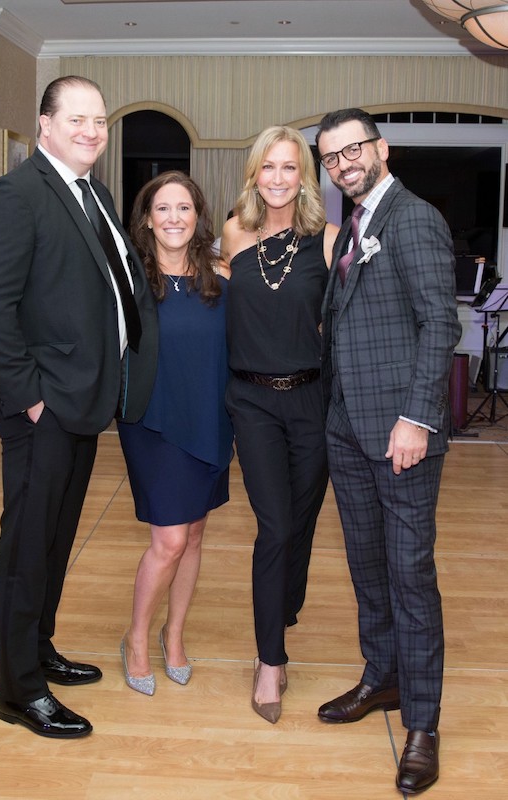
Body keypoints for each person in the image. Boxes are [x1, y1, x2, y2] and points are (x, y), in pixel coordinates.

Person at [0, 76, 157, 738]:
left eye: (100, 120)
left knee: (53, 540)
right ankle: (19, 691)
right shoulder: (16, 195)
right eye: (76, 118)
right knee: (25, 547)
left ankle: (37, 649)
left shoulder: (92, 193)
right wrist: (31, 398)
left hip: (83, 403)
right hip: (42, 408)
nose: (91, 130)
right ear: (44, 125)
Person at [315, 108, 462, 794]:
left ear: (380, 148)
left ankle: (423, 725)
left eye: (351, 151)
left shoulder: (412, 216)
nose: (342, 164)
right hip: (346, 428)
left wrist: (416, 418)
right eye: (331, 158)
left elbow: (440, 322)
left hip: (399, 432)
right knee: (367, 567)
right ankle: (380, 680)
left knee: (409, 576)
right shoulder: (354, 223)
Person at [221, 126, 337, 724]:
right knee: (274, 527)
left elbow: (345, 330)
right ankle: (271, 659)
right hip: (252, 403)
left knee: (300, 523)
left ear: (304, 177)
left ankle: (283, 608)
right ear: (254, 174)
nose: (277, 178)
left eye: (289, 168)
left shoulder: (328, 241)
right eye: (268, 167)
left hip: (310, 403)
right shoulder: (233, 234)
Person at [117, 171, 233, 696]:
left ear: (198, 216)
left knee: (196, 535)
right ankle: (137, 639)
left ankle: (175, 633)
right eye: (162, 209)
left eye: (183, 208)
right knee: (170, 538)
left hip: (210, 416)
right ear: (146, 218)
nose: (173, 218)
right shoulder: (129, 280)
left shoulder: (220, 277)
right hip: (155, 421)